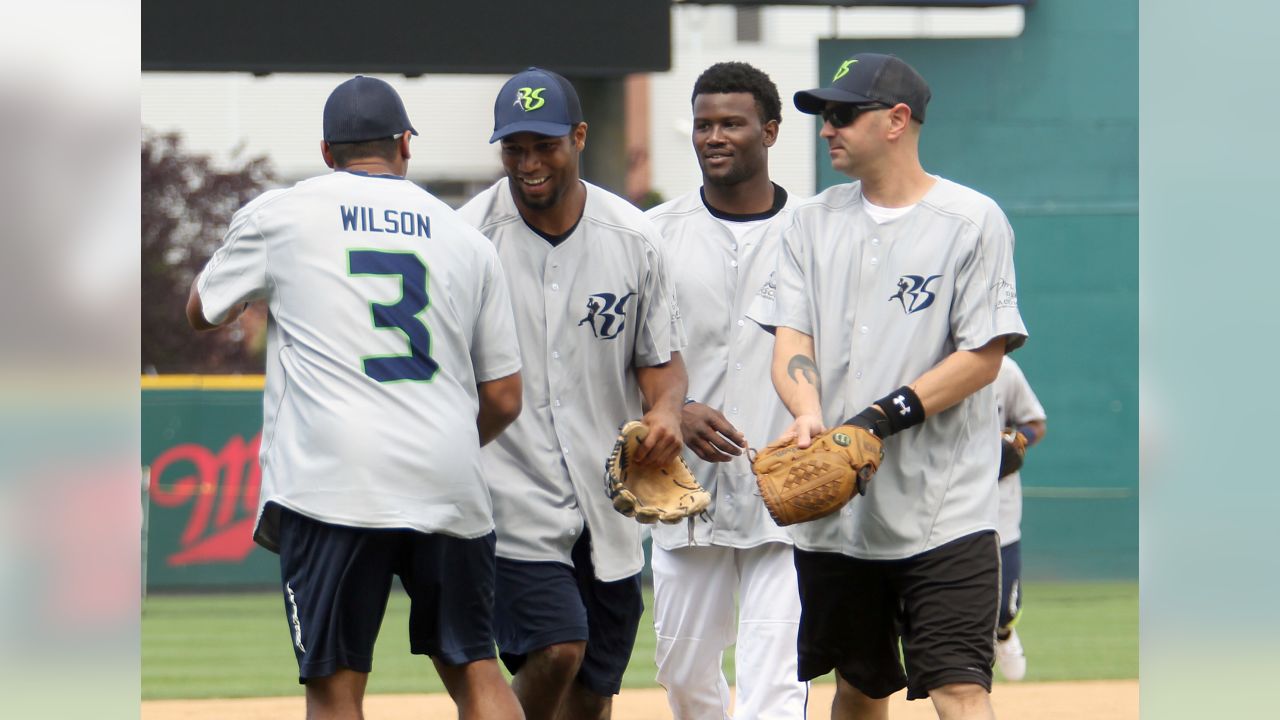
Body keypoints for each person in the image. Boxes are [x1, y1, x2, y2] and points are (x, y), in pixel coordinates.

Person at [185, 75, 526, 720]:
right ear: (404, 146)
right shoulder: (466, 240)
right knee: (476, 666)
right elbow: (505, 397)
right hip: (446, 479)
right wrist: (443, 436)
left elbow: (202, 311)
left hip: (332, 481)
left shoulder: (281, 215)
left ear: (325, 151)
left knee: (336, 689)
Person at [747, 53, 1028, 720]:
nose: (826, 128)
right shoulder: (809, 222)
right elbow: (792, 335)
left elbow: (983, 356)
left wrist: (878, 419)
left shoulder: (970, 220)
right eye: (823, 115)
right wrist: (808, 409)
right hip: (843, 515)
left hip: (947, 508)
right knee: (859, 685)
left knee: (962, 688)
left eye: (843, 114)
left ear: (898, 120)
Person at [458, 67, 688, 720]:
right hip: (507, 502)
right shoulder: (466, 240)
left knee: (591, 696)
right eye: (514, 148)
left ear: (579, 137)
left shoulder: (634, 238)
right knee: (558, 647)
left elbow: (663, 365)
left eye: (544, 145)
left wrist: (667, 412)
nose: (528, 163)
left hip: (608, 503)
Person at [644, 61, 808, 718]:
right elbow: (621, 355)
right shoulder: (653, 234)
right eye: (704, 123)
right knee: (683, 675)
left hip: (789, 491)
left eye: (732, 123)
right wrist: (670, 410)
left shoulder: (816, 231)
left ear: (769, 130)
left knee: (775, 686)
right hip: (684, 491)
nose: (714, 136)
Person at [991, 355, 1047, 682]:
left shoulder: (1004, 369)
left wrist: (1018, 437)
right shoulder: (922, 366)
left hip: (1000, 507)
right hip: (942, 505)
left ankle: (1003, 632)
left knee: (1003, 609)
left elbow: (1036, 422)